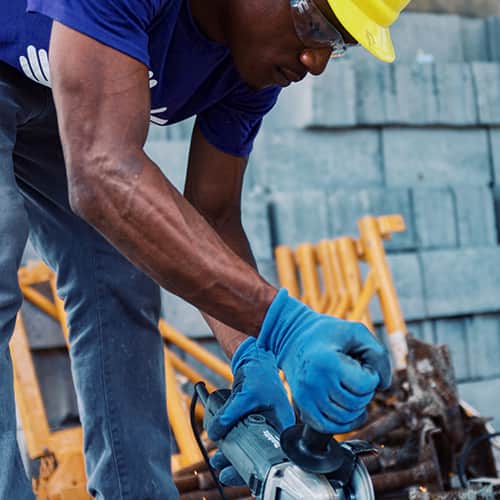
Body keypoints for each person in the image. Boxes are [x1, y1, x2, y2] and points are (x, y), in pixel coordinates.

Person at [0, 0, 410, 498]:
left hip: (71, 92)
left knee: (122, 276)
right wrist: (285, 327)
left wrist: (253, 356)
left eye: (338, 43)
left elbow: (213, 216)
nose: (317, 60)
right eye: (317, 24)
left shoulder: (254, 69)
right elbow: (103, 171)